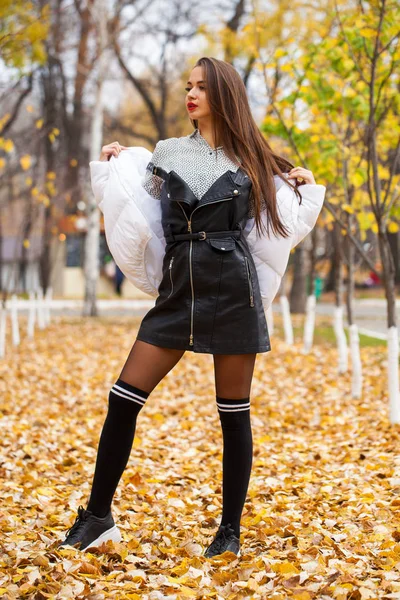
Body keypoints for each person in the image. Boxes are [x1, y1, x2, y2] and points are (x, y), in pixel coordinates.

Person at [58, 56, 321, 558]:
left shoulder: (254, 160)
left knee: (233, 413)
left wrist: (301, 184)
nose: (191, 94)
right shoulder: (168, 151)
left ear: (223, 95)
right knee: (122, 397)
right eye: (188, 86)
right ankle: (96, 517)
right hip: (179, 289)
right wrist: (117, 166)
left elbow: (276, 220)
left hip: (232, 288)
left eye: (201, 87)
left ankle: (229, 533)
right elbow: (139, 202)